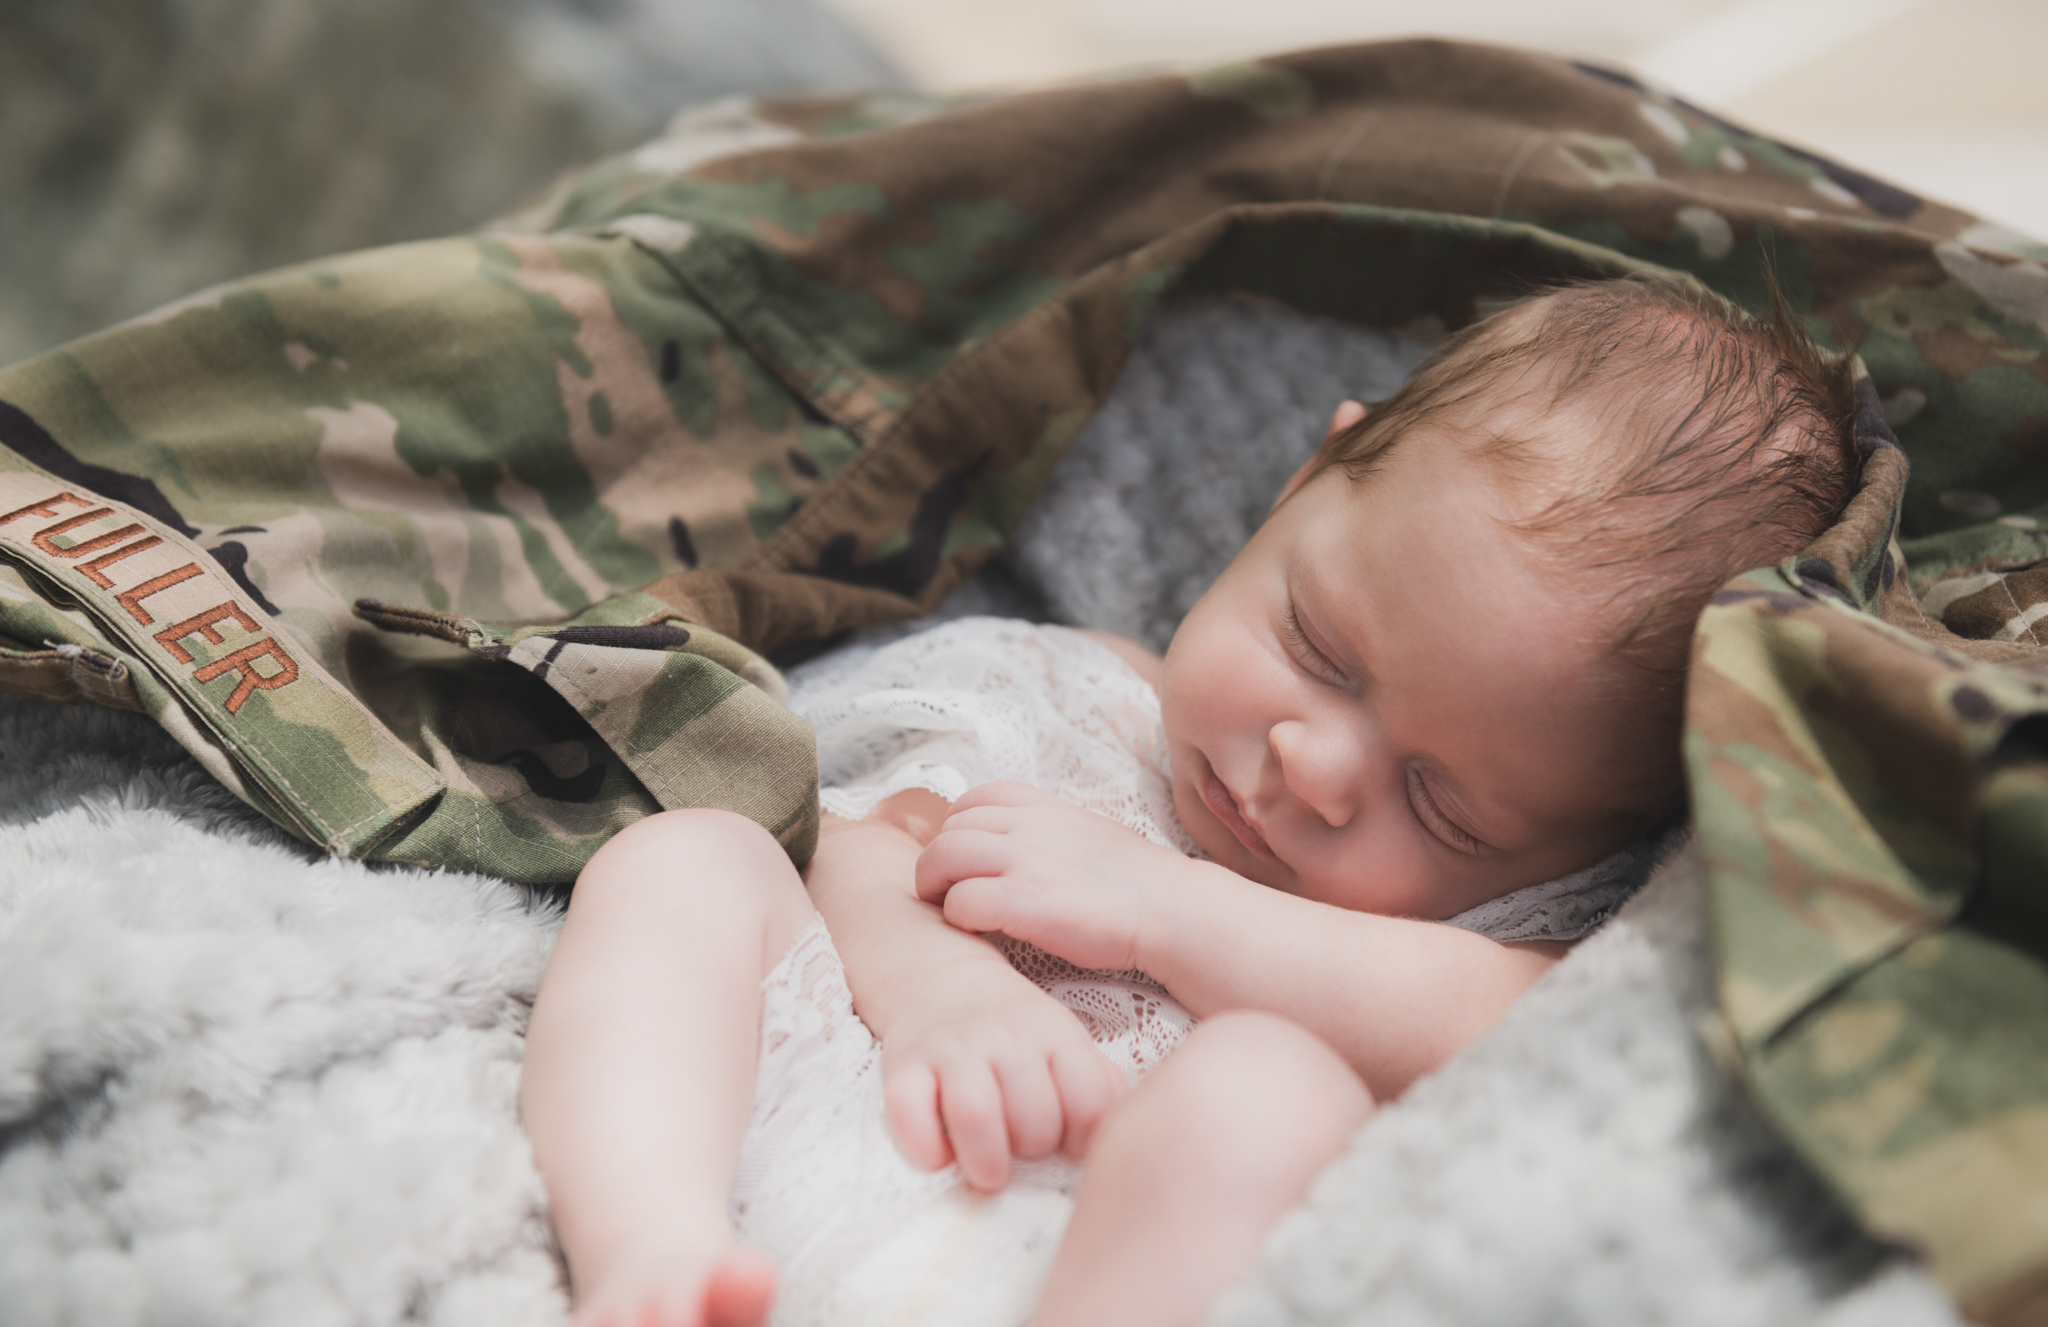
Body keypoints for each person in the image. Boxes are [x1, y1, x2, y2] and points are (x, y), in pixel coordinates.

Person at [517, 274, 1859, 1327]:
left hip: (1070, 1272)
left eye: (1443, 807)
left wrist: (1177, 912)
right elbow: (864, 842)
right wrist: (939, 992)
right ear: (1297, 489)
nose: (1309, 765)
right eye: (1320, 648)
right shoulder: (1086, 693)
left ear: (1599, 844)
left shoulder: (1495, 942)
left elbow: (1526, 1027)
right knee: (694, 861)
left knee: (1270, 1085)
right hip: (814, 1149)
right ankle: (648, 1251)